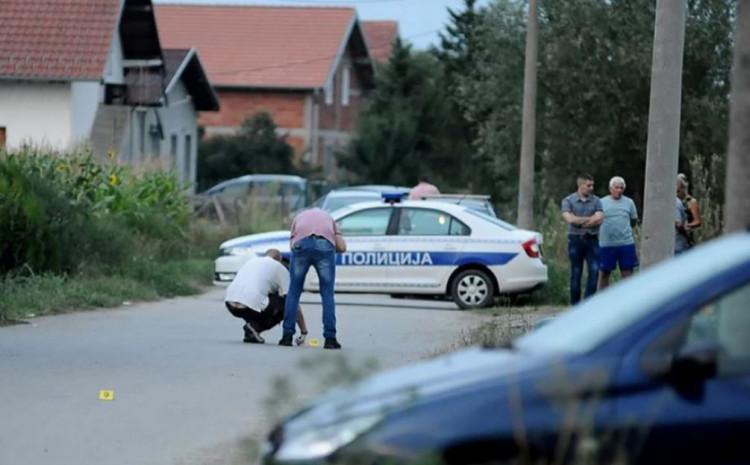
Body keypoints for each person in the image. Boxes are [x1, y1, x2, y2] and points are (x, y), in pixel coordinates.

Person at [280, 208, 345, 349]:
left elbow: (292, 246)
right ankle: (330, 339)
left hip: (301, 245)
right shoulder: (329, 219)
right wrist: (334, 237)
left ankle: (286, 336)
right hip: (324, 245)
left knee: (294, 292)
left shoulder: (298, 218)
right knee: (327, 294)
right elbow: (342, 247)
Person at [225, 249, 308, 345]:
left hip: (230, 302)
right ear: (279, 259)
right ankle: (255, 327)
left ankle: (251, 331)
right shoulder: (279, 267)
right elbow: (293, 302)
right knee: (284, 304)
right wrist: (303, 331)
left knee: (261, 300)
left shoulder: (251, 261)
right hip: (250, 303)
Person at [561, 173, 603, 305]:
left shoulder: (597, 201)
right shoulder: (568, 201)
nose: (591, 188)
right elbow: (569, 219)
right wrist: (590, 219)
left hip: (592, 240)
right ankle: (575, 306)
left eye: (592, 185)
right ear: (580, 185)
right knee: (576, 273)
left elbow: (600, 218)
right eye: (589, 185)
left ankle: (588, 304)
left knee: (594, 271)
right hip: (575, 240)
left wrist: (578, 220)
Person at [597, 176, 639, 290]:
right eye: (616, 187)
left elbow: (633, 220)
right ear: (610, 188)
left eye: (621, 188)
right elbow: (596, 220)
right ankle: (601, 300)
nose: (619, 190)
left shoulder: (629, 202)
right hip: (606, 244)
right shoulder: (601, 202)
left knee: (628, 274)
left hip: (625, 243)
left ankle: (629, 300)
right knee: (604, 273)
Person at [676, 173, 701, 250]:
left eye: (679, 191)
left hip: (687, 237)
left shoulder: (691, 202)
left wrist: (687, 225)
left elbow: (697, 221)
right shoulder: (677, 201)